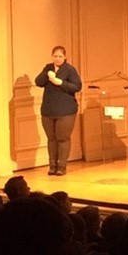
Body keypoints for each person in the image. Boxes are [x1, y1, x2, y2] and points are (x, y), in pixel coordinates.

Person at [34, 45, 82, 176]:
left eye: (60, 56)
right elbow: (38, 82)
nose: (57, 58)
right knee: (51, 138)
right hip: (48, 110)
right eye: (55, 56)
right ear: (52, 56)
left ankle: (62, 166)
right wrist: (47, 75)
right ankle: (52, 165)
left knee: (63, 138)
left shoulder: (70, 70)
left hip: (66, 111)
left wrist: (61, 83)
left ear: (65, 57)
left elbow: (77, 86)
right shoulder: (48, 68)